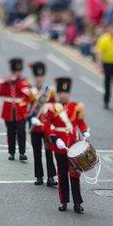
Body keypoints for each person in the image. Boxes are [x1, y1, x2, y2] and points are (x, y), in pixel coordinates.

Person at [41, 77, 90, 213]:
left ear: (69, 93)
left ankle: (77, 203)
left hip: (73, 145)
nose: (63, 95)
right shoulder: (52, 108)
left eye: (66, 93)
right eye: (61, 93)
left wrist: (85, 131)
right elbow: (47, 125)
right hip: (60, 146)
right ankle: (64, 201)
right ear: (58, 93)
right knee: (62, 174)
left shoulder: (75, 106)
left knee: (75, 175)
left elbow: (80, 123)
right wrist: (55, 138)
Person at [28, 61, 57, 186]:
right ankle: (39, 176)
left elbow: (54, 107)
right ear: (34, 77)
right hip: (35, 126)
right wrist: (30, 119)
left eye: (41, 76)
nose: (39, 78)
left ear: (43, 77)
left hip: (46, 126)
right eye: (37, 76)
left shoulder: (50, 91)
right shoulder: (30, 91)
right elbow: (27, 109)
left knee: (49, 151)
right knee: (37, 152)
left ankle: (51, 177)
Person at [0, 58, 30, 161]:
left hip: (20, 111)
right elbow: (0, 93)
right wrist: (5, 83)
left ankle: (22, 152)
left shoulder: (24, 82)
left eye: (19, 71)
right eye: (16, 71)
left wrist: (19, 82)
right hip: (8, 110)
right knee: (10, 132)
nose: (18, 73)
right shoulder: (6, 81)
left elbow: (28, 96)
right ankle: (11, 152)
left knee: (21, 131)